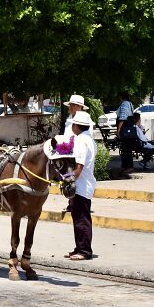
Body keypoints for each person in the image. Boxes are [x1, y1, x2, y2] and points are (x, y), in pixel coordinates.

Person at [65, 110, 96, 260]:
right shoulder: (88, 139)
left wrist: (69, 181)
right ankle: (79, 247)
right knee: (79, 218)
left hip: (81, 185)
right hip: (85, 184)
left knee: (82, 219)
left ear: (77, 126)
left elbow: (79, 166)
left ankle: (84, 251)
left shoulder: (81, 141)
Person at [115, 91, 138, 173]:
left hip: (125, 129)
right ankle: (125, 166)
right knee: (126, 148)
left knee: (126, 148)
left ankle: (128, 166)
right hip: (129, 129)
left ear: (121, 97)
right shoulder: (130, 104)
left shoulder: (124, 104)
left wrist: (118, 130)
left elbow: (123, 117)